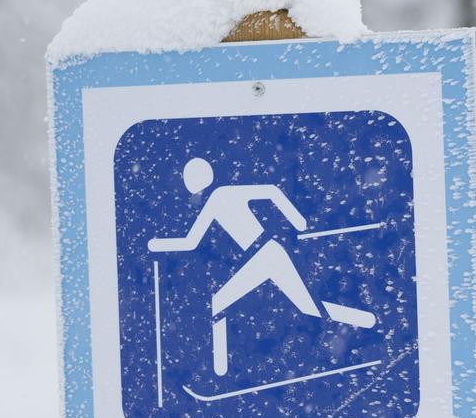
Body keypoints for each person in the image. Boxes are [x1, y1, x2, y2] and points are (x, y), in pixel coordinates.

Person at [148, 157, 375, 376]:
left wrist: (298, 220)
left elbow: (269, 191)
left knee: (220, 302)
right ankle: (363, 319)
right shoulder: (219, 196)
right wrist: (158, 245)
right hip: (267, 254)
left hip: (265, 254)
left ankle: (220, 370)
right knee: (306, 307)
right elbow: (192, 241)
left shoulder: (219, 196)